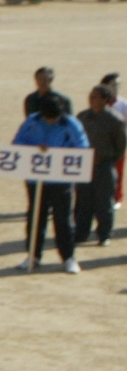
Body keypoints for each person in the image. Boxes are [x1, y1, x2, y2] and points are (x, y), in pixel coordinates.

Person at [13, 90, 87, 272]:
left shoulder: (71, 123)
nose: (50, 122)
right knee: (36, 218)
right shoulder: (32, 121)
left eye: (53, 118)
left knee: (63, 219)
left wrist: (59, 151)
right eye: (47, 118)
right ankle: (33, 255)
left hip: (61, 179)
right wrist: (35, 148)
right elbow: (17, 143)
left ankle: (68, 258)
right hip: (36, 178)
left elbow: (83, 147)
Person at [76, 83, 124, 250]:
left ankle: (104, 235)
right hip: (84, 165)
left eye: (95, 96)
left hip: (104, 165)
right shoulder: (82, 117)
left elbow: (120, 146)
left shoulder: (115, 120)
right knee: (83, 200)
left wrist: (107, 160)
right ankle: (81, 233)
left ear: (105, 100)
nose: (91, 98)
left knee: (104, 203)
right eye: (90, 95)